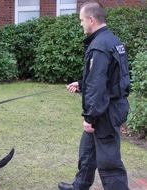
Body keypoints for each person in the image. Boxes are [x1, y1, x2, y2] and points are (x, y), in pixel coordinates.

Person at [58, 1, 130, 190]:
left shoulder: (99, 46)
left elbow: (98, 87)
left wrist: (90, 117)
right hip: (108, 106)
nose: (80, 24)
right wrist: (81, 84)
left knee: (109, 163)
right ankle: (79, 186)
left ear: (91, 19)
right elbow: (109, 77)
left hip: (105, 111)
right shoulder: (113, 41)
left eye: (82, 20)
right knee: (88, 151)